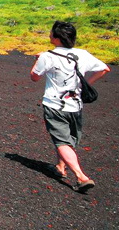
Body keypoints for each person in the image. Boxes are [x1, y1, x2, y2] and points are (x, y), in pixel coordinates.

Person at [30, 20, 109, 192]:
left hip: (54, 104)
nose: (49, 34)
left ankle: (81, 176)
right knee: (69, 139)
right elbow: (104, 69)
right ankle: (60, 167)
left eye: (51, 32)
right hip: (76, 105)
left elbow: (34, 77)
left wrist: (37, 61)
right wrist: (85, 84)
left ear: (56, 38)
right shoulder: (83, 54)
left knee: (62, 141)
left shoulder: (47, 56)